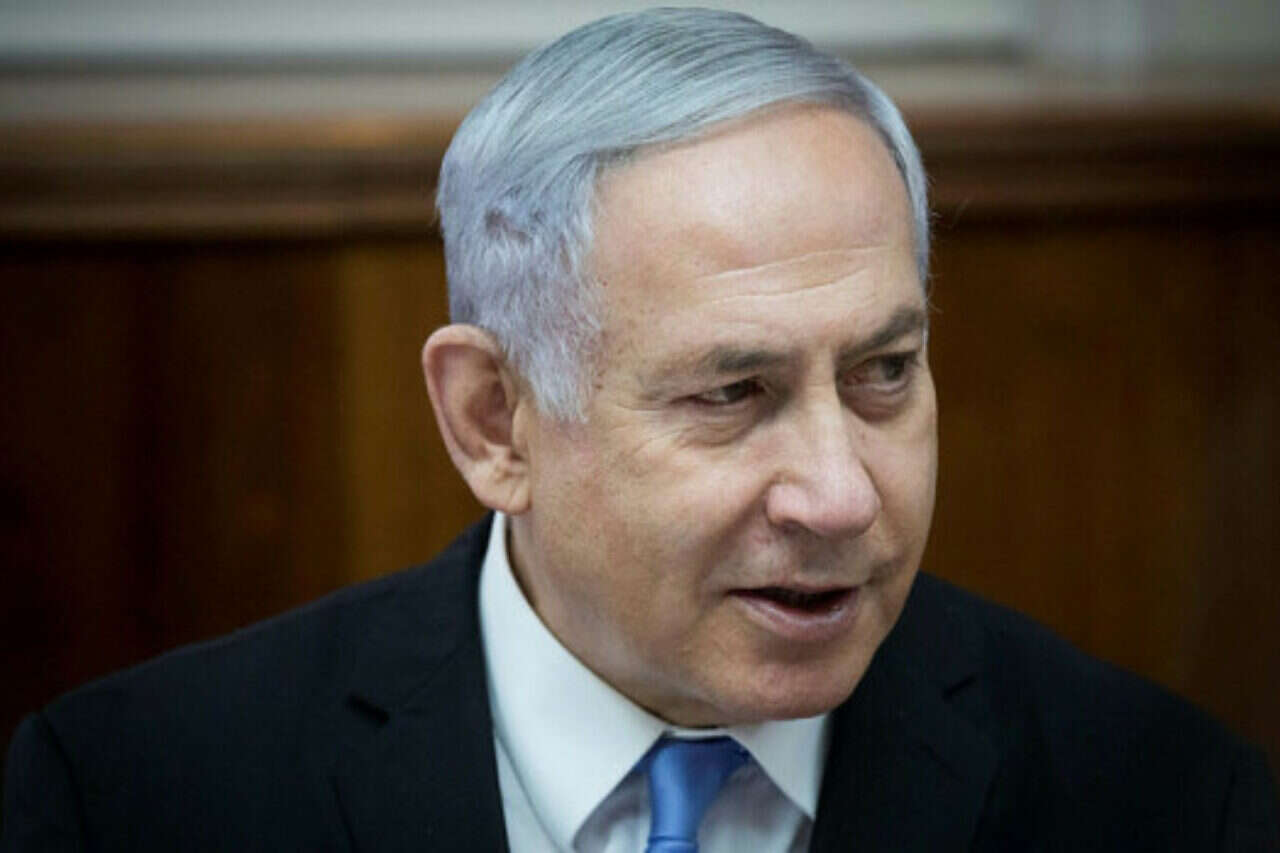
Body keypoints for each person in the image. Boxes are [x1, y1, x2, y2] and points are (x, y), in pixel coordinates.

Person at [3, 8, 1277, 852]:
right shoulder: (136, 797)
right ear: (493, 420)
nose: (840, 495)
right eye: (731, 394)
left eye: (883, 373)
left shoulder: (1163, 802)